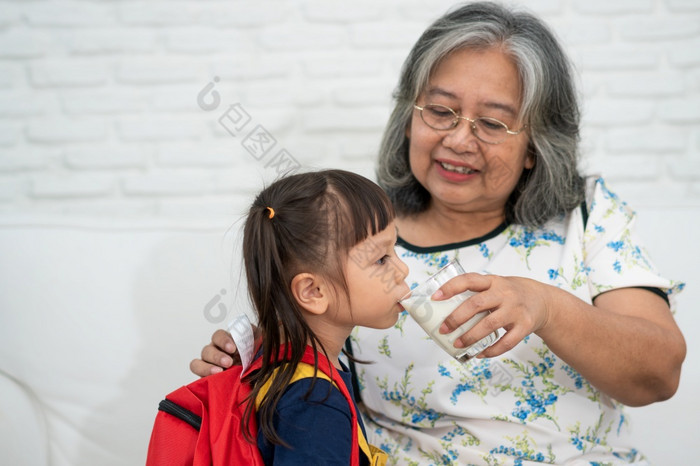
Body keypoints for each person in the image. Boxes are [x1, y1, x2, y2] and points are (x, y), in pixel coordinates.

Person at [191, 2, 686, 464]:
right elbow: (312, 337)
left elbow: (659, 375)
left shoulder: (588, 216)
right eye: (441, 110)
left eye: (492, 123)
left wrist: (547, 307)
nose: (458, 139)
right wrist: (258, 352)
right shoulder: (362, 236)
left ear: (536, 145)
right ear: (409, 117)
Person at [186, 169, 410, 465]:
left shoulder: (278, 361)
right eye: (381, 259)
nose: (402, 269)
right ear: (313, 291)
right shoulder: (315, 403)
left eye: (394, 249)